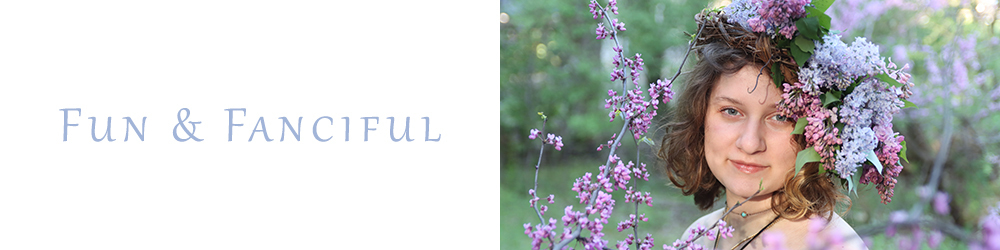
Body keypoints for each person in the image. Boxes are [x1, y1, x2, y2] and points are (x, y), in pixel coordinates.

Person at [657, 1, 913, 249]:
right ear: (701, 116)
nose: (749, 143)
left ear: (815, 134)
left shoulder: (830, 245)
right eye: (731, 111)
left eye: (780, 117)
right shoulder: (697, 236)